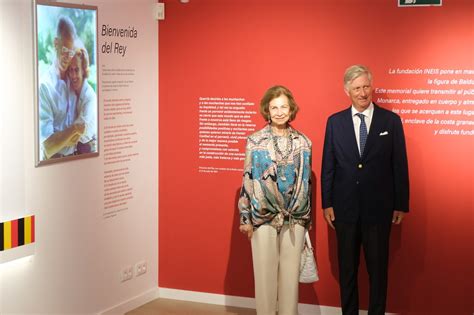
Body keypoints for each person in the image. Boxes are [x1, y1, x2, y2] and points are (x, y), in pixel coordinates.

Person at [321, 65, 409, 315]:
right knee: (347, 270)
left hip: (378, 211)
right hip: (344, 210)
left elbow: (399, 164)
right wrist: (327, 203)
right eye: (357, 88)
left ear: (372, 87)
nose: (362, 92)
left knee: (378, 271)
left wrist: (401, 203)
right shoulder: (334, 122)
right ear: (346, 90)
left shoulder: (390, 121)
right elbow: (328, 165)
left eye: (366, 86)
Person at [239, 85, 312, 315]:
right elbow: (247, 179)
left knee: (290, 280)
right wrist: (245, 217)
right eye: (274, 107)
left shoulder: (304, 142)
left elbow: (306, 182)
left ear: (291, 110)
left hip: (295, 219)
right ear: (267, 111)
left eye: (284, 107)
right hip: (263, 217)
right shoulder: (255, 141)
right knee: (265, 278)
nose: (279, 112)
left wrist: (304, 219)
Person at [38, 15, 84, 160]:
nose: (67, 57)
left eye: (71, 52)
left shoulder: (74, 80)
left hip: (76, 157)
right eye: (64, 49)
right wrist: (74, 130)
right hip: (55, 164)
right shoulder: (44, 86)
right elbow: (48, 147)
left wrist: (63, 138)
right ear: (55, 43)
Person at [67, 45, 97, 154]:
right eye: (70, 70)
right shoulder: (70, 91)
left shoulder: (89, 96)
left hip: (87, 148)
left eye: (76, 70)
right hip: (74, 148)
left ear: (84, 71)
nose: (73, 75)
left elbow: (78, 127)